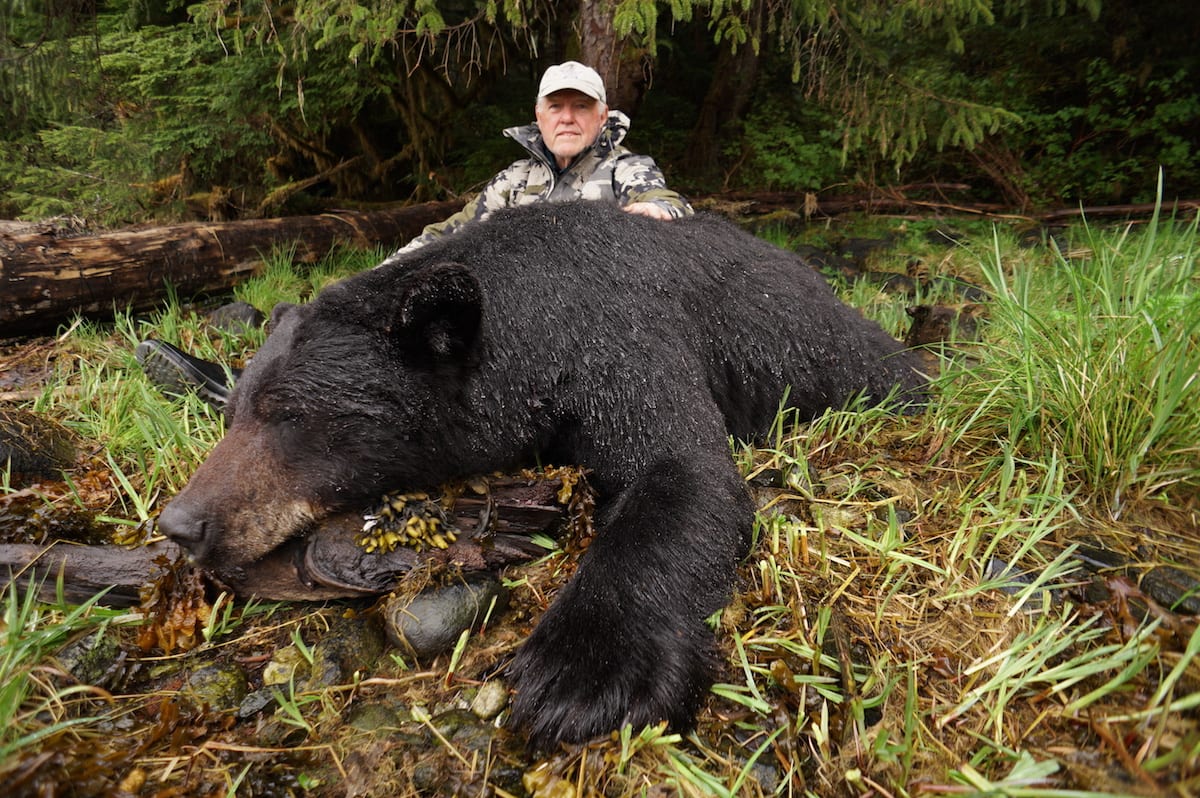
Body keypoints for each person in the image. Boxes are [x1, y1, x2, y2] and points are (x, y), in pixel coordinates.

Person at [137, 61, 692, 407]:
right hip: (491, 306)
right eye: (557, 106)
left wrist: (657, 214)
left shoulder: (623, 170)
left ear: (602, 118)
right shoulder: (513, 180)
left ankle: (264, 387)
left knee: (417, 364)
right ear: (539, 117)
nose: (568, 117)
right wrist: (378, 279)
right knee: (383, 314)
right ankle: (254, 369)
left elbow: (663, 200)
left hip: (566, 327)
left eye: (581, 107)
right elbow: (450, 234)